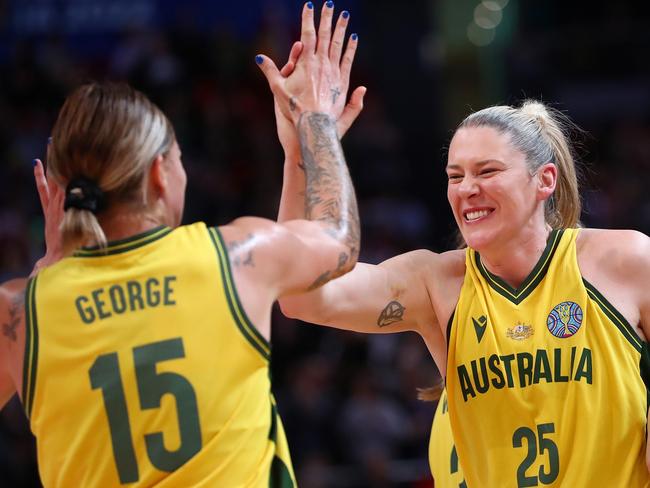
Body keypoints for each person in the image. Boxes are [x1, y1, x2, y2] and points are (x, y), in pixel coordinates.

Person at [0, 3, 365, 486]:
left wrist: (47, 268)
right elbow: (338, 237)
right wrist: (315, 125)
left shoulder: (20, 314)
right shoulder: (236, 258)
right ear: (159, 174)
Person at [275, 99, 650, 486]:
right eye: (455, 176)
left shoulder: (624, 262)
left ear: (545, 180)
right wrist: (303, 154)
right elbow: (300, 295)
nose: (468, 189)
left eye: (487, 171)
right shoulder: (437, 284)